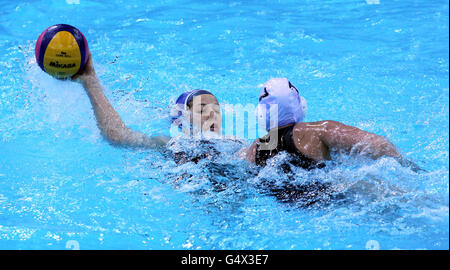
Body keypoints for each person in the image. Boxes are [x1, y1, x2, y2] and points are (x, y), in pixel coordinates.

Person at [245, 78, 418, 171]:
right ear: (300, 106)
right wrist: (410, 167)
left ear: (260, 114)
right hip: (331, 198)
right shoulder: (317, 131)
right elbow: (378, 145)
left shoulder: (254, 150)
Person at [72, 54, 221, 149]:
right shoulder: (171, 145)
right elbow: (117, 136)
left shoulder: (234, 145)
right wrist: (90, 82)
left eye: (217, 110)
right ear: (181, 119)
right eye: (202, 110)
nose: (212, 114)